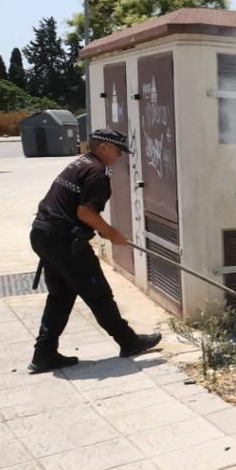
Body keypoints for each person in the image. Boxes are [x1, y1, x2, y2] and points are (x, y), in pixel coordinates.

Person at [28, 128, 162, 373]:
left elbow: (75, 209)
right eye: (118, 150)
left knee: (60, 296)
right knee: (98, 294)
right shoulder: (97, 173)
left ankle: (44, 354)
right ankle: (129, 342)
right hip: (63, 241)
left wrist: (99, 230)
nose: (120, 156)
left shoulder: (80, 164)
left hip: (44, 235)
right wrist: (113, 235)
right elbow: (85, 213)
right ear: (104, 148)